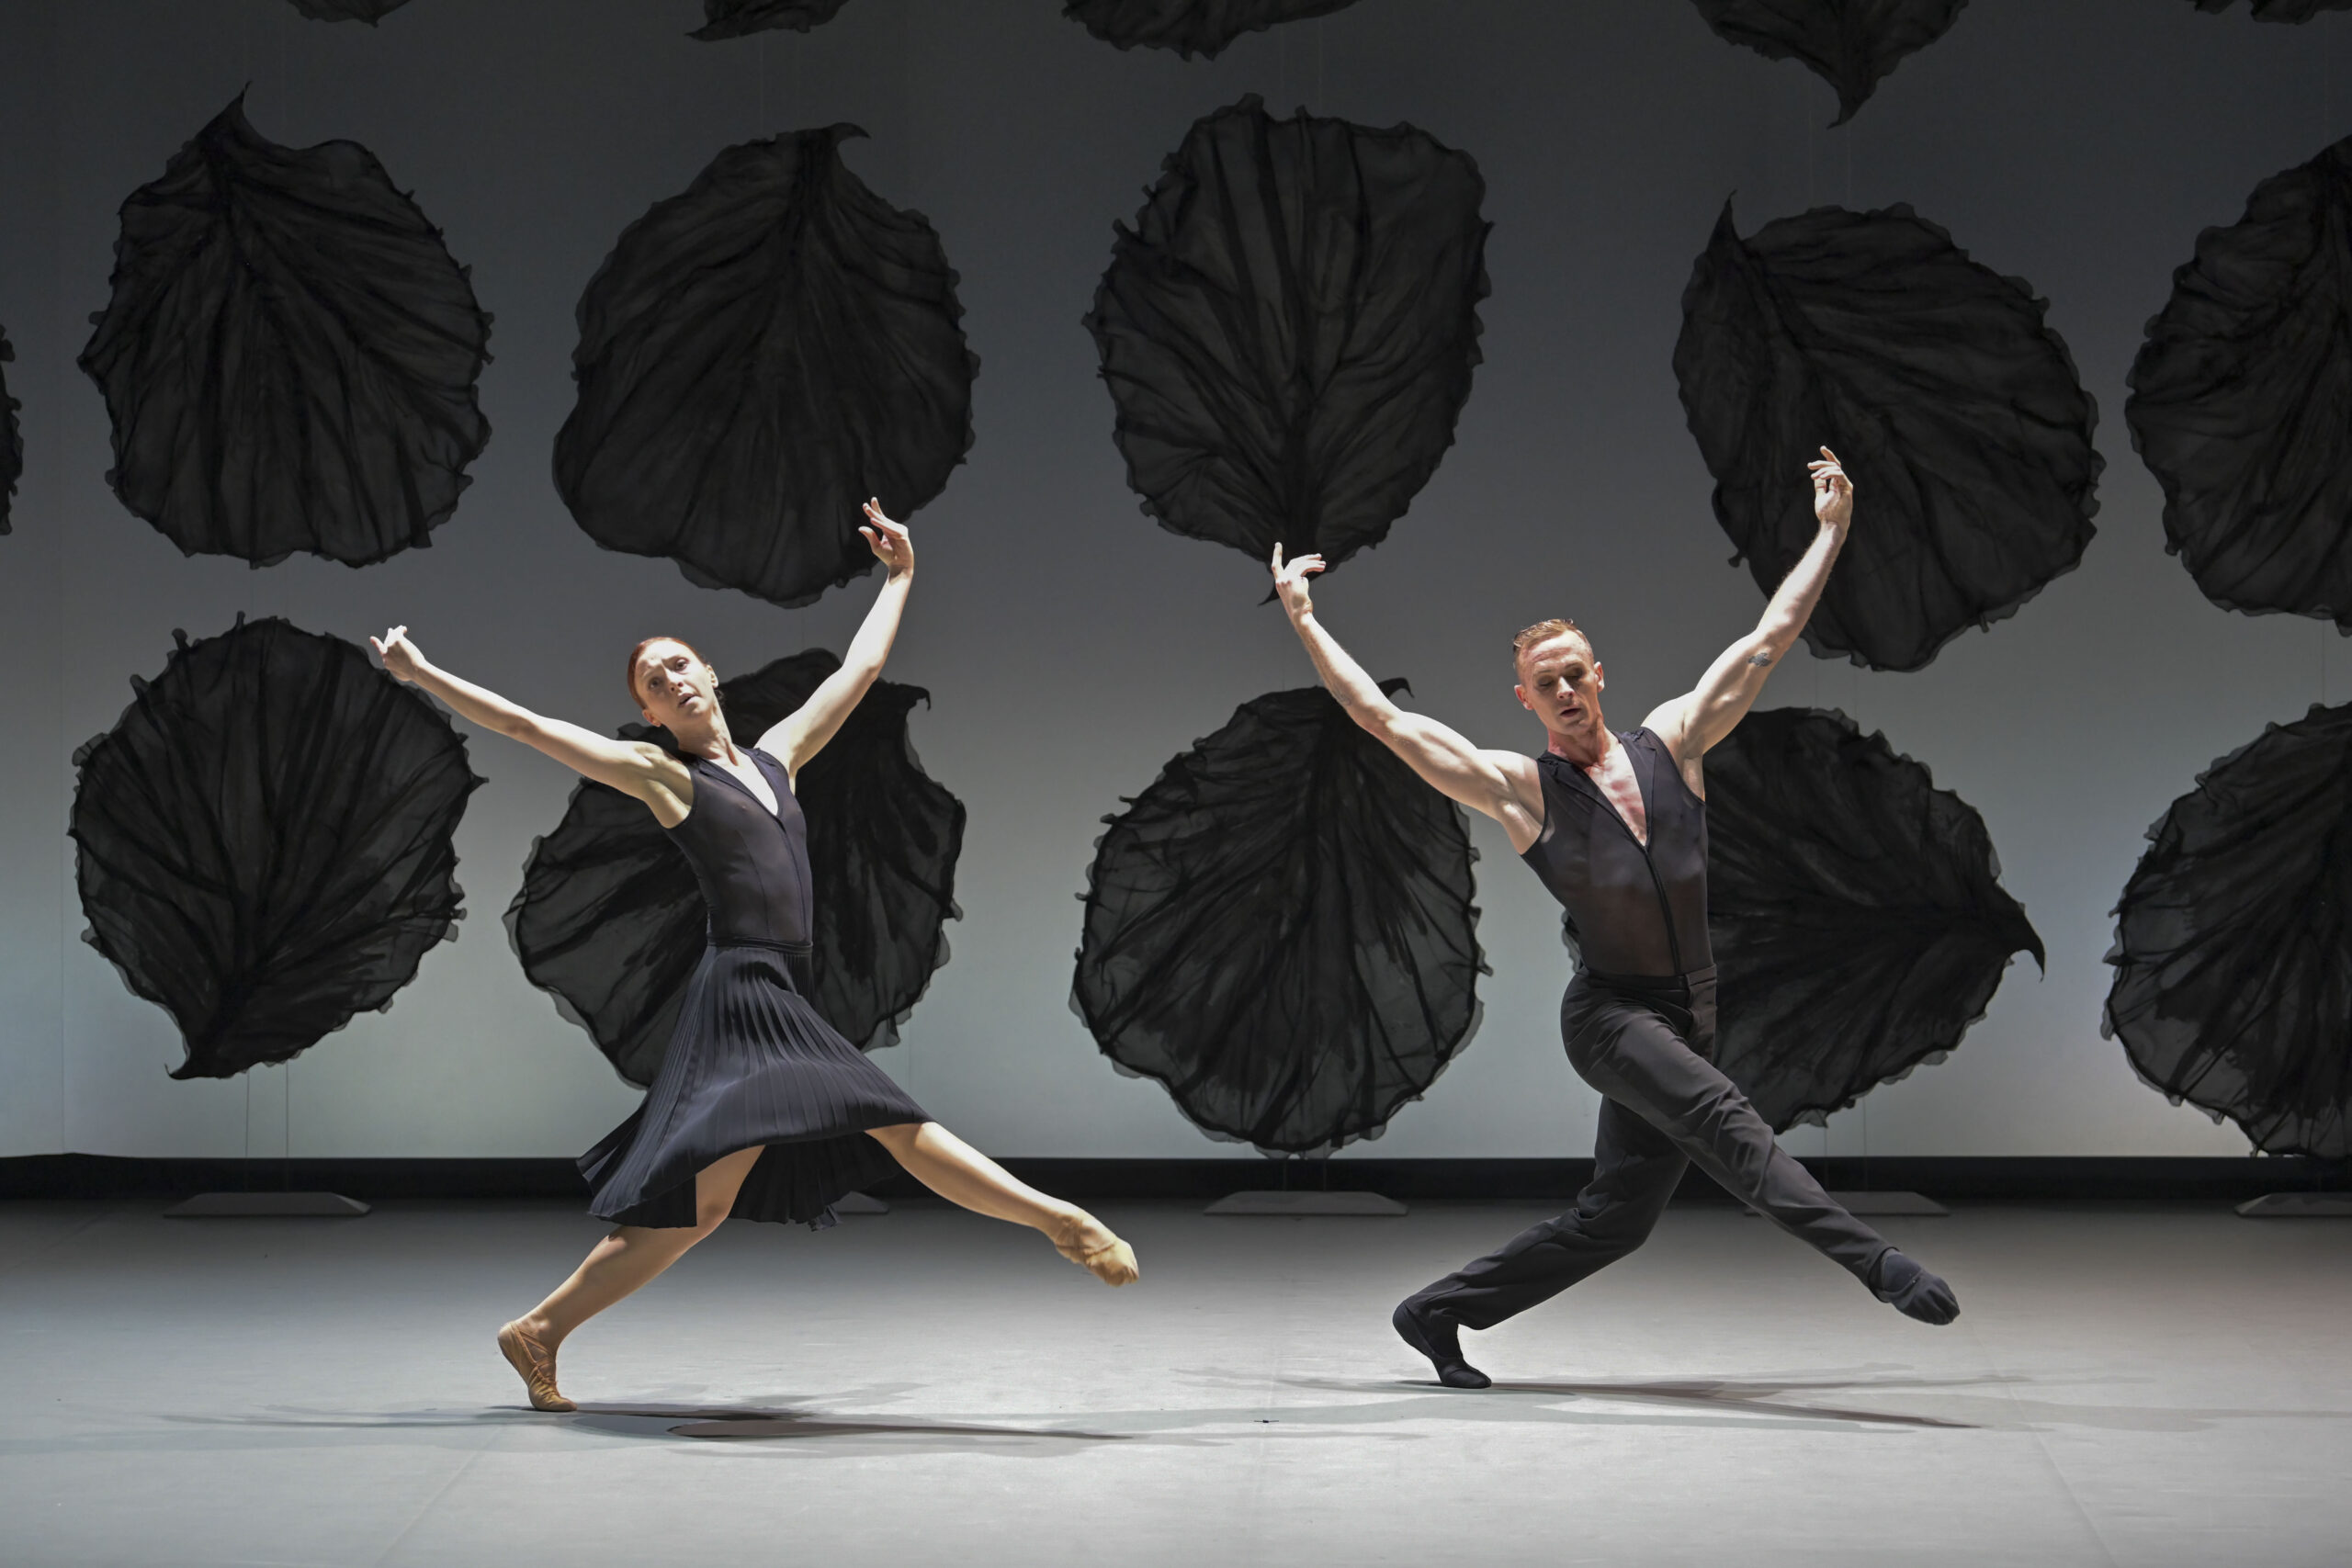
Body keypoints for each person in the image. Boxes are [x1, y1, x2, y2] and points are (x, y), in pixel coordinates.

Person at [373, 501, 1137, 1415]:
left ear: (709, 674)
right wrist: (422, 675)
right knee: (889, 1117)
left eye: (680, 662)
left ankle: (537, 1332)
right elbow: (530, 729)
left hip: (779, 989)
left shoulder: (778, 759)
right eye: (654, 679)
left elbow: (858, 672)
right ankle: (1057, 1219)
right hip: (740, 994)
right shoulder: (664, 777)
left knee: (698, 1211)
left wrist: (899, 578)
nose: (673, 678)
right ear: (647, 712)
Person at [1270, 448, 1957, 1390]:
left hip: (1692, 1014)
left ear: (1599, 676)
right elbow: (1382, 722)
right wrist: (1306, 619)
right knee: (1726, 1121)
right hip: (1611, 1019)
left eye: (1572, 674)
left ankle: (1435, 1313)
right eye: (1542, 683)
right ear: (1526, 700)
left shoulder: (1676, 741)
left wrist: (1830, 533)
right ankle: (1877, 1266)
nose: (1561, 690)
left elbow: (1767, 639)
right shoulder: (1522, 792)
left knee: (1616, 1220)